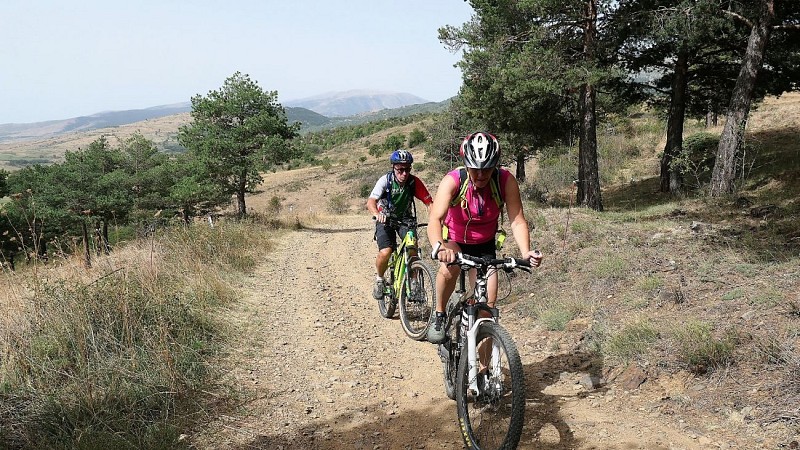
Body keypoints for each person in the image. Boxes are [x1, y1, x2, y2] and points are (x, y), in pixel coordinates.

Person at [426, 131, 542, 344]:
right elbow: (436, 218)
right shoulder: (453, 180)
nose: (480, 175)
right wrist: (440, 247)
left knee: (487, 310)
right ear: (466, 164)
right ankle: (439, 314)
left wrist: (526, 252)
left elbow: (517, 220)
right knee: (449, 267)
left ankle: (485, 371)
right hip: (454, 240)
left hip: (485, 244)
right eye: (475, 169)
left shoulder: (505, 181)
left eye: (487, 169)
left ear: (495, 164)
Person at [367, 149, 433, 299]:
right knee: (386, 251)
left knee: (412, 250)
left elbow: (429, 203)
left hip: (406, 220)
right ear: (393, 168)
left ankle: (415, 282)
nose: (404, 173)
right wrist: (377, 214)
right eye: (400, 169)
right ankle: (380, 280)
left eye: (407, 169)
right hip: (386, 219)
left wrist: (435, 220)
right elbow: (371, 201)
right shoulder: (385, 180)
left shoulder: (413, 182)